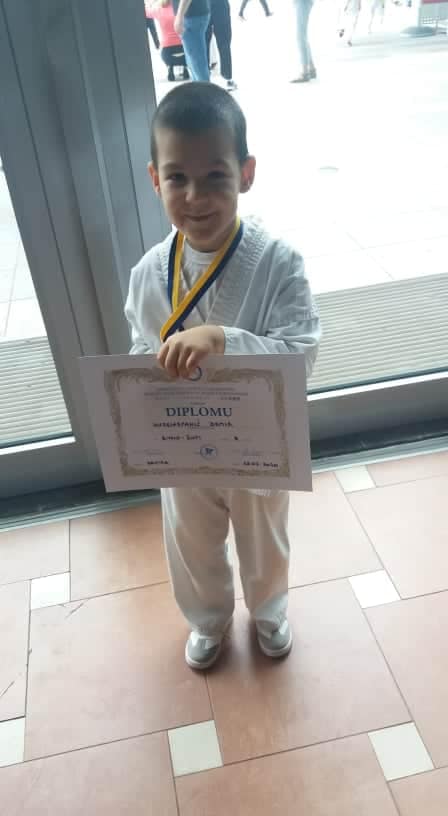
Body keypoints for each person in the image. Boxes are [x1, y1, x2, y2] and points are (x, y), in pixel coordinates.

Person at [125, 82, 321, 670]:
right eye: (177, 177)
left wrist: (223, 341)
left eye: (215, 176)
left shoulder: (279, 262)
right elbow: (139, 347)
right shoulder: (149, 273)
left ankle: (269, 610)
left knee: (264, 536)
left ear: (247, 172)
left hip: (258, 443)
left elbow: (301, 355)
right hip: (183, 444)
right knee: (190, 539)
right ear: (155, 178)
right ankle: (208, 619)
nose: (196, 196)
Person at [145, 0, 189, 82]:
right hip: (184, 51)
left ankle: (170, 67)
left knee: (162, 49)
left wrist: (150, 3)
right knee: (186, 47)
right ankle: (185, 67)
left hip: (167, 54)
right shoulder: (181, 10)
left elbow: (146, 12)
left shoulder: (159, 10)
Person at [173, 0, 211, 81]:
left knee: (197, 66)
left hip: (191, 16)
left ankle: (204, 89)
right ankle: (199, 88)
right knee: (194, 64)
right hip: (192, 15)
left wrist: (179, 16)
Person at [207, 0, 237, 91]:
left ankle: (204, 79)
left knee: (204, 44)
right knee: (224, 44)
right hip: (220, 5)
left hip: (204, 5)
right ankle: (227, 79)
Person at [291, 0, 316, 83]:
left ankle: (305, 72)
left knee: (300, 36)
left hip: (303, 2)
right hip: (302, 2)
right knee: (302, 36)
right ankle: (311, 69)